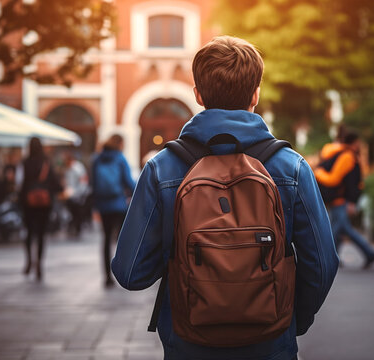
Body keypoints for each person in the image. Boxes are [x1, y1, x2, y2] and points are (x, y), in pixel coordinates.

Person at [111, 36, 338, 360]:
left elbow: (130, 272)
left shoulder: (162, 169)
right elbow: (324, 263)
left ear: (198, 95)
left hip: (188, 345)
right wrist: (288, 318)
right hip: (271, 345)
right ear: (255, 94)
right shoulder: (292, 167)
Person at [315, 130, 374, 269]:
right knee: (340, 230)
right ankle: (365, 253)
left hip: (340, 201)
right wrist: (318, 173)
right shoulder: (347, 156)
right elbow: (335, 179)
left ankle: (332, 258)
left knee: (338, 231)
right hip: (340, 200)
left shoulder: (345, 155)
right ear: (354, 142)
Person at [91, 134, 136, 288]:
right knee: (122, 239)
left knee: (106, 239)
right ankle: (123, 272)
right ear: (120, 143)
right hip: (118, 204)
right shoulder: (119, 158)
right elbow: (129, 182)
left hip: (103, 205)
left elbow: (92, 183)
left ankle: (107, 276)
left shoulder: (96, 159)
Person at [19, 137, 63, 281]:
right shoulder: (46, 162)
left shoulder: (25, 163)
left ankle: (28, 261)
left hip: (28, 202)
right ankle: (39, 263)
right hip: (45, 203)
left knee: (29, 232)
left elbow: (20, 183)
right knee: (41, 234)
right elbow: (55, 183)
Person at [63, 152, 90, 238]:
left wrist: (78, 193)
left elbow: (83, 183)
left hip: (78, 195)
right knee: (74, 213)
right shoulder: (68, 169)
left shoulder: (78, 168)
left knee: (77, 213)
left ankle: (77, 228)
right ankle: (75, 228)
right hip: (71, 195)